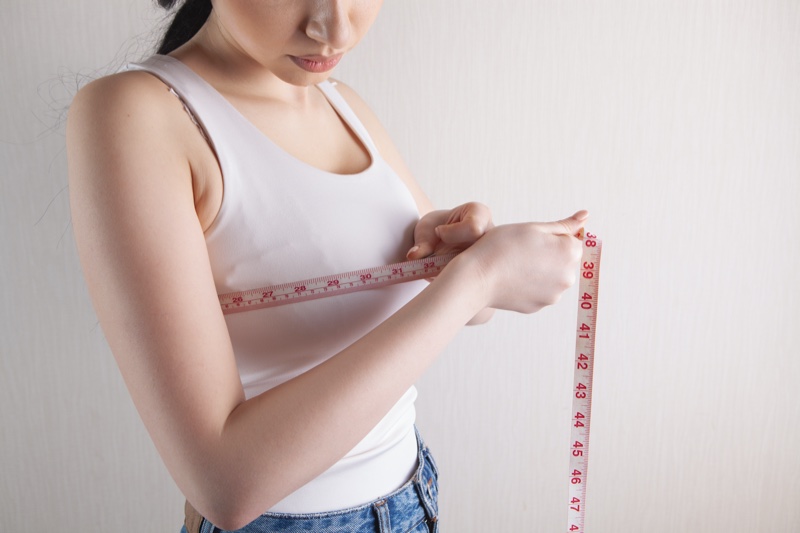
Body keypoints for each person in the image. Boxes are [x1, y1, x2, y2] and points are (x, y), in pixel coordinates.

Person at [66, 1, 586, 531]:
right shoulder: (136, 113)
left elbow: (465, 308)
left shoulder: (341, 101)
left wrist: (456, 249)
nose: (333, 28)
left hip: (414, 496)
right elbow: (223, 485)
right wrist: (476, 281)